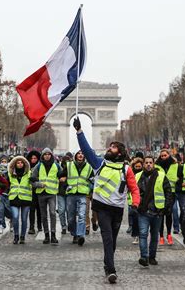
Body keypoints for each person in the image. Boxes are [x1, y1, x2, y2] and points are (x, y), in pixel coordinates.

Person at [74, 117, 140, 284]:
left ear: (120, 152)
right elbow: (87, 151)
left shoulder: (126, 169)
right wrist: (79, 131)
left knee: (113, 242)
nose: (109, 148)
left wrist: (136, 203)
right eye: (110, 146)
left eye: (113, 147)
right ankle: (111, 270)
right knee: (108, 238)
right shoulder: (99, 163)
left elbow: (134, 188)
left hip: (117, 209)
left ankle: (107, 263)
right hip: (101, 208)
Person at [136, 156, 173, 266]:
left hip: (157, 211)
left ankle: (152, 256)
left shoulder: (161, 176)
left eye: (150, 162)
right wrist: (134, 205)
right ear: (143, 165)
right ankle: (144, 257)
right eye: (146, 162)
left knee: (154, 235)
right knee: (143, 234)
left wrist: (166, 208)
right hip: (143, 211)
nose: (148, 164)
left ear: (154, 164)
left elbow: (168, 192)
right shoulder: (137, 176)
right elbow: (132, 191)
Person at [30, 148, 64, 245]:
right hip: (41, 193)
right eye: (45, 154)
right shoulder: (38, 166)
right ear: (43, 156)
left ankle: (53, 235)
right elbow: (32, 180)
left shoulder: (56, 165)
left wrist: (63, 178)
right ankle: (46, 235)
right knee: (44, 215)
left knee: (53, 213)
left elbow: (62, 175)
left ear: (51, 155)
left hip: (52, 193)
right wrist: (39, 184)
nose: (47, 156)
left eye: (49, 154)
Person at [64, 150, 94, 246]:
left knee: (82, 215)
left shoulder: (89, 168)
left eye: (82, 153)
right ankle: (74, 234)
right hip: (71, 194)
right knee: (71, 218)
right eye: (79, 153)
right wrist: (65, 183)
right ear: (76, 156)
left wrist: (90, 189)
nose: (81, 155)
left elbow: (92, 180)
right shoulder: (68, 166)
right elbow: (60, 176)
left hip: (83, 194)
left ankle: (81, 235)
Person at [155, 149, 179, 245]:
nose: (164, 157)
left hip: (171, 193)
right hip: (160, 193)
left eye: (165, 155)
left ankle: (169, 234)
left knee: (169, 214)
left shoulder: (175, 165)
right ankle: (161, 236)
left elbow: (180, 177)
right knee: (160, 214)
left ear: (169, 155)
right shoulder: (156, 166)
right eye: (162, 156)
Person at [8, 155, 32, 244]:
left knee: (24, 219)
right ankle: (16, 235)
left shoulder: (29, 173)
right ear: (14, 164)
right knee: (15, 217)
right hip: (14, 198)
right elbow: (6, 183)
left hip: (26, 199)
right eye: (18, 162)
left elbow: (33, 183)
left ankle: (22, 236)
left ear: (25, 164)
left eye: (22, 162)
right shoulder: (10, 174)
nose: (20, 164)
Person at [127, 157, 143, 244]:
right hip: (132, 201)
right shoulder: (131, 174)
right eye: (136, 166)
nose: (138, 168)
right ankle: (136, 235)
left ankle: (141, 235)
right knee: (135, 219)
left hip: (142, 200)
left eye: (139, 166)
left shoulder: (143, 175)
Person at [26, 150, 42, 234]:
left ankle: (39, 225)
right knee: (31, 209)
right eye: (32, 158)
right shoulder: (27, 168)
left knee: (40, 209)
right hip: (30, 191)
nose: (33, 159)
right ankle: (31, 227)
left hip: (39, 190)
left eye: (35, 158)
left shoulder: (40, 167)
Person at [0, 155, 11, 234]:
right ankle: (1, 225)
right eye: (2, 162)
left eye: (5, 162)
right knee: (0, 209)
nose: (4, 163)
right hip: (0, 193)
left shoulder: (11, 170)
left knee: (9, 210)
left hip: (9, 193)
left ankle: (11, 220)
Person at [57, 155, 71, 235]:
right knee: (61, 210)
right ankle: (63, 227)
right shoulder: (58, 169)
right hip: (60, 192)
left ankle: (70, 224)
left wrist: (66, 179)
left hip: (69, 192)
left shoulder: (73, 169)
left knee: (69, 211)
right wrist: (59, 179)